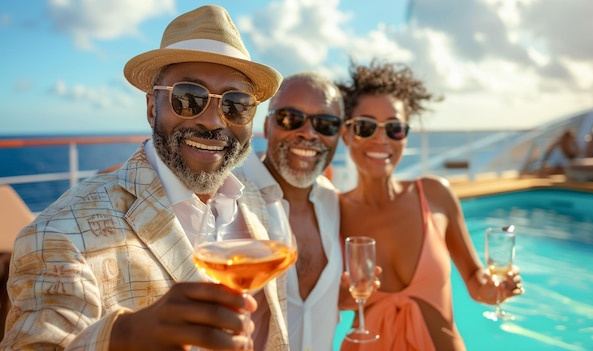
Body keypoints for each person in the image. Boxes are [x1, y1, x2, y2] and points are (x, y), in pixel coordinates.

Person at [0, 6, 290, 351]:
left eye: (236, 104)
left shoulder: (257, 203)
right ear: (153, 106)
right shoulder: (60, 232)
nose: (214, 121)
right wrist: (124, 337)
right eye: (189, 98)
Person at [335, 60, 524, 351]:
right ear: (346, 134)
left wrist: (491, 290)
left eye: (394, 128)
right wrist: (339, 299)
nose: (381, 138)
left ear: (405, 136)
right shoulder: (332, 210)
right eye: (366, 126)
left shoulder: (435, 194)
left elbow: (475, 280)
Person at [234, 72, 345, 351]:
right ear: (267, 125)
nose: (308, 133)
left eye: (326, 124)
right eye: (289, 118)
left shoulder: (332, 200)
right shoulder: (228, 198)